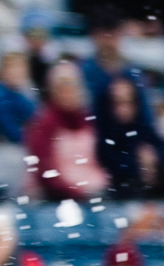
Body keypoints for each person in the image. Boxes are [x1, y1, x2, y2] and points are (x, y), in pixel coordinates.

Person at [22, 62, 110, 201]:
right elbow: (44, 169)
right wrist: (75, 192)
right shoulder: (44, 123)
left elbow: (98, 159)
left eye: (73, 89)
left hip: (93, 188)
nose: (69, 94)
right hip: (58, 194)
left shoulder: (87, 120)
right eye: (63, 89)